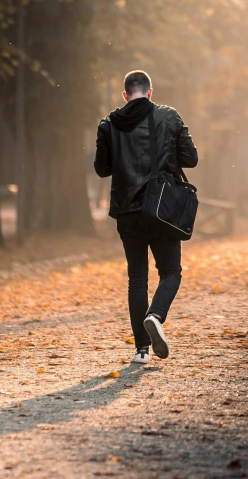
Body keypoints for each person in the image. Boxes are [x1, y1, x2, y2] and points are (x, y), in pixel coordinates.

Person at [94, 70, 198, 364]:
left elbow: (102, 169)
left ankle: (141, 349)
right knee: (170, 272)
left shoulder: (108, 124)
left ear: (125, 95)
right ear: (150, 92)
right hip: (161, 208)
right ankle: (155, 315)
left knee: (137, 277)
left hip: (127, 210)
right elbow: (191, 159)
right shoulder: (168, 116)